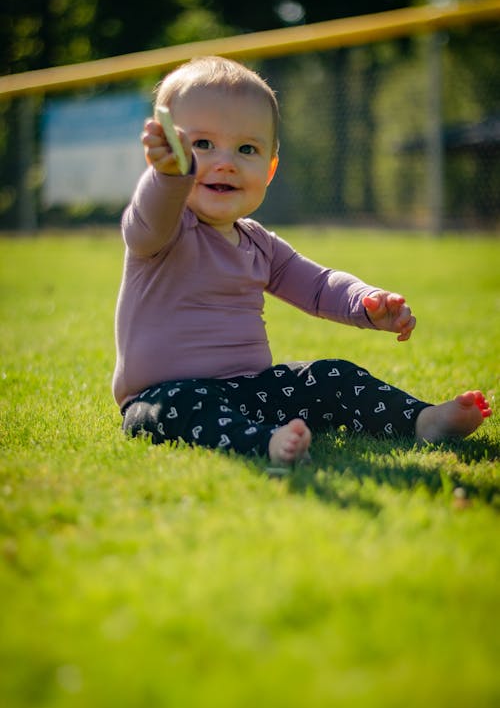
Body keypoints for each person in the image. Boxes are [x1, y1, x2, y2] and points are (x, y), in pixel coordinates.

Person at [113, 55, 491, 465]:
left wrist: (367, 302)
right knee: (183, 408)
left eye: (246, 148)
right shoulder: (164, 229)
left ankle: (421, 420)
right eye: (201, 145)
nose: (226, 161)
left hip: (253, 391)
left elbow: (318, 285)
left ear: (270, 169)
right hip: (163, 397)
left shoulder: (259, 243)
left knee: (332, 375)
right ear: (167, 152)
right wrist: (170, 176)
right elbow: (145, 220)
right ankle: (265, 443)